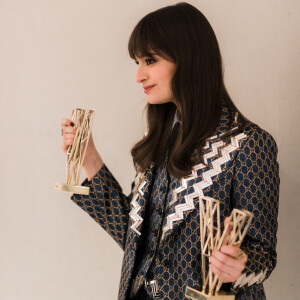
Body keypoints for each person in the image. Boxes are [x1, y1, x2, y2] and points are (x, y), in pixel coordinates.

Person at [60, 3, 279, 300]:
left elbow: (263, 255)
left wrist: (238, 265)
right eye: (137, 62)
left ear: (188, 60)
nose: (138, 76)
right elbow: (136, 240)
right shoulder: (160, 140)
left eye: (149, 60)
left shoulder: (249, 144)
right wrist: (90, 160)